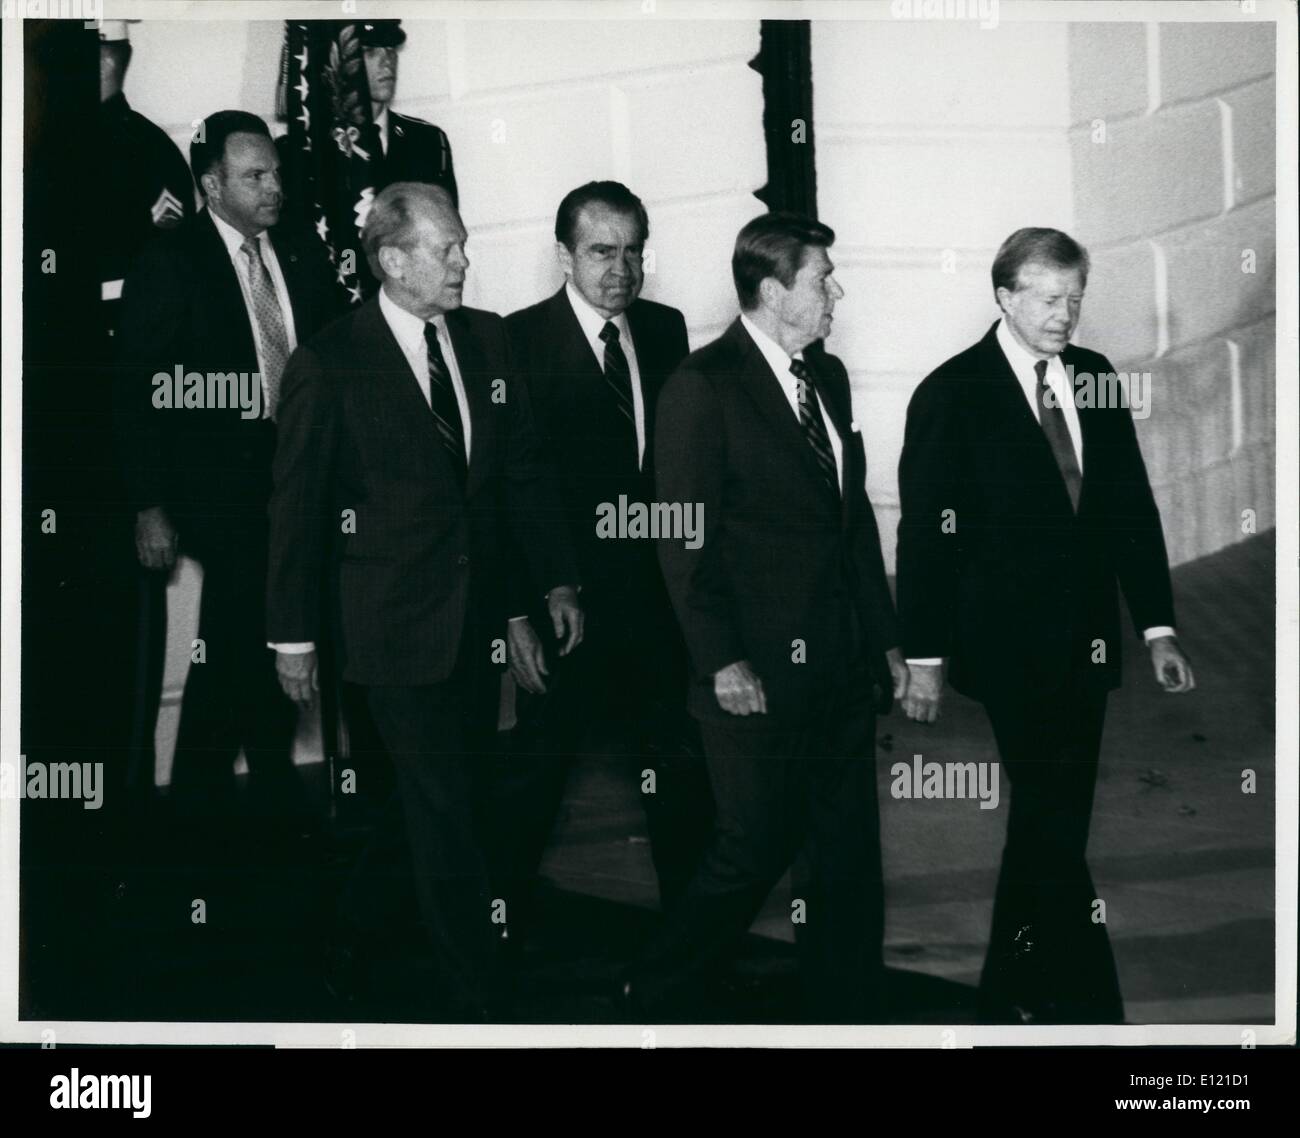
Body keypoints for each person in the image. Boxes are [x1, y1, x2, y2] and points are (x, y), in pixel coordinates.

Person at [265, 182, 582, 1020]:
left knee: (432, 797)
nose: (463, 263)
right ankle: (480, 996)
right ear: (393, 259)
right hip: (388, 628)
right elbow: (295, 509)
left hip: (475, 624)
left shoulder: (487, 342)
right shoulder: (330, 361)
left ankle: (347, 933)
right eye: (448, 250)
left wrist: (540, 590)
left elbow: (512, 483)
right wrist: (290, 636)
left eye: (463, 246)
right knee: (445, 807)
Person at [896, 227, 1196, 1025]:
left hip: (1087, 642)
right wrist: (922, 652)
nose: (1067, 315)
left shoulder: (1093, 377)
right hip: (1005, 648)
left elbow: (1128, 504)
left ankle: (1025, 995)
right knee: (1050, 813)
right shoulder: (952, 392)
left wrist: (1158, 627)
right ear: (1004, 296)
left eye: (1075, 298)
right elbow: (926, 532)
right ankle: (1070, 1001)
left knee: (1051, 819)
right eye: (1049, 298)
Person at [623, 211, 908, 1022]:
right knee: (753, 846)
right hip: (753, 673)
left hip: (841, 665)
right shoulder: (700, 389)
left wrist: (886, 640)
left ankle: (848, 1010)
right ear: (776, 289)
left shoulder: (830, 378)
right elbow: (682, 544)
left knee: (848, 853)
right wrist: (719, 661)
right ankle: (657, 987)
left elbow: (850, 522)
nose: (835, 292)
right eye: (823, 280)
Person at [115, 110, 341, 847]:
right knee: (252, 625)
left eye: (276, 171)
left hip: (297, 479)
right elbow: (138, 389)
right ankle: (212, 810)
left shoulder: (301, 252)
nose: (275, 185)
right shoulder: (171, 260)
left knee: (261, 637)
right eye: (255, 175)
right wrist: (149, 503)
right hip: (218, 488)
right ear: (211, 184)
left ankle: (232, 803)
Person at [499, 182, 713, 935]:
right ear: (564, 255)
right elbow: (506, 491)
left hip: (657, 603)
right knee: (541, 769)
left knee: (676, 768)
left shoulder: (663, 329)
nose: (620, 268)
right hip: (570, 605)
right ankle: (497, 928)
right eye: (601, 251)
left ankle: (691, 948)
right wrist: (522, 608)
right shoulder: (516, 343)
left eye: (633, 251)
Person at [360, 20, 458, 205]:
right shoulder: (317, 148)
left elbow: (445, 228)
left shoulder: (427, 141)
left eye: (391, 49)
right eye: (369, 51)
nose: (387, 61)